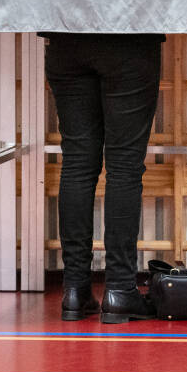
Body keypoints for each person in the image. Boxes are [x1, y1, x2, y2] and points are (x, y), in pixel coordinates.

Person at [42, 31, 166, 323]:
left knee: (76, 163)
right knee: (124, 166)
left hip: (65, 35)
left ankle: (75, 289)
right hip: (131, 35)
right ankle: (120, 289)